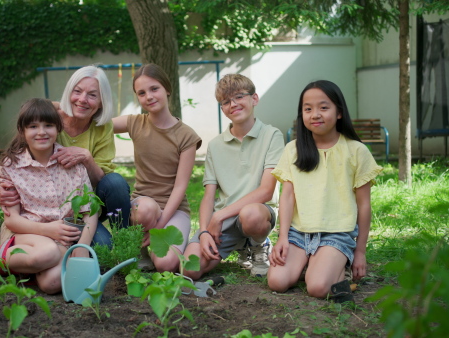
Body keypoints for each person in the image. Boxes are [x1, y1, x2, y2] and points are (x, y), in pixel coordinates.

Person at [0, 98, 96, 294]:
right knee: (47, 252)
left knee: (53, 284)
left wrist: (82, 246)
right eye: (33, 126)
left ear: (58, 129)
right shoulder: (11, 166)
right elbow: (13, 222)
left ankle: (28, 271)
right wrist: (48, 229)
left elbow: (90, 211)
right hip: (24, 234)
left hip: (61, 240)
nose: (41, 132)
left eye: (48, 125)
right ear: (22, 131)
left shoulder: (73, 165)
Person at [267, 80, 382, 302]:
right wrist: (282, 237)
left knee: (318, 288)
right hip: (298, 233)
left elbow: (364, 205)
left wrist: (360, 252)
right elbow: (288, 196)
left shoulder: (357, 151)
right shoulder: (293, 149)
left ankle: (335, 267)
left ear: (339, 112)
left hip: (337, 233)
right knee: (277, 282)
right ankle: (314, 264)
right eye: (308, 109)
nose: (315, 114)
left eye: (323, 107)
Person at [0, 66, 131, 246]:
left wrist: (86, 157)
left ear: (101, 101)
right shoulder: (50, 119)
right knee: (102, 246)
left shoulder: (103, 127)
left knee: (115, 182)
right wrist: (0, 188)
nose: (82, 100)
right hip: (50, 205)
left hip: (89, 203)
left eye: (92, 95)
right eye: (77, 91)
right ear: (69, 93)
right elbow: (19, 157)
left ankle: (125, 243)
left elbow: (103, 182)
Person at [183, 74, 284, 280]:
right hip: (225, 222)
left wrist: (218, 216)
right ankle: (241, 244)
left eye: (239, 97)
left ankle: (258, 244)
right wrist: (203, 232)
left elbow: (266, 190)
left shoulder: (272, 135)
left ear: (254, 99)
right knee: (189, 269)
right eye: (226, 101)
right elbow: (208, 196)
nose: (233, 104)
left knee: (251, 215)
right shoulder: (215, 145)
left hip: (257, 214)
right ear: (222, 109)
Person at [112, 63, 201, 273]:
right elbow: (96, 123)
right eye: (141, 93)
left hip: (175, 208)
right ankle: (142, 250)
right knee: (145, 210)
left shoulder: (186, 135)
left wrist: (160, 226)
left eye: (154, 89)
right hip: (142, 206)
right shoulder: (135, 123)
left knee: (166, 265)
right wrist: (63, 108)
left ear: (167, 89)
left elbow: (180, 187)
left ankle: (159, 245)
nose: (149, 97)